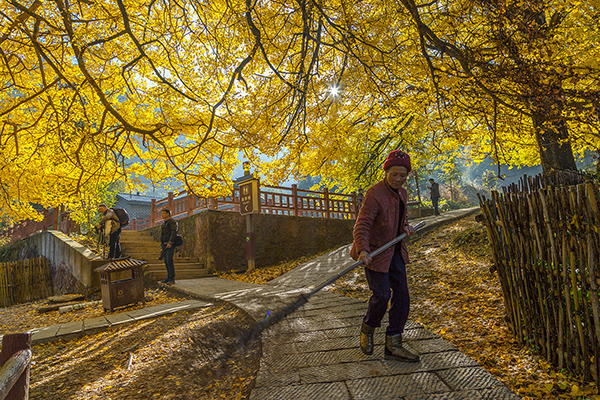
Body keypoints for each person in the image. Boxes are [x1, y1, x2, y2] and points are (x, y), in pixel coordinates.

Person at [350, 150, 420, 363]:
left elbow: (401, 217)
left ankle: (394, 344)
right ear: (386, 172)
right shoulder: (375, 194)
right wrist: (363, 249)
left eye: (403, 175)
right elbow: (362, 224)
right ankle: (368, 328)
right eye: (394, 175)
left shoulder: (403, 194)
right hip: (375, 253)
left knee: (402, 297)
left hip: (396, 251)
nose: (399, 179)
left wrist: (405, 227)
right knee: (381, 295)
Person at [160, 209, 178, 285]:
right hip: (164, 244)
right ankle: (168, 277)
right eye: (162, 213)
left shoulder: (172, 222)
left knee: (169, 260)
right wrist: (161, 246)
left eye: (164, 213)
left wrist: (170, 242)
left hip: (170, 244)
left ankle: (172, 278)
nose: (162, 215)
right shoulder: (164, 224)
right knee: (166, 261)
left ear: (168, 214)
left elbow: (174, 232)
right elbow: (162, 235)